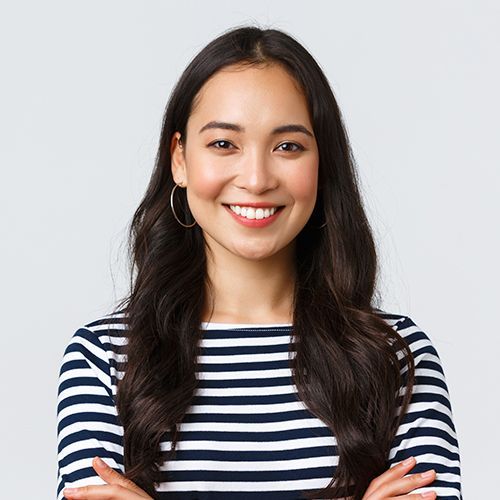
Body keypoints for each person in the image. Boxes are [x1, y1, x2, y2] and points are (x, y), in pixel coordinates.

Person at [56, 25, 462, 500]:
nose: (256, 178)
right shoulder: (102, 359)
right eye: (224, 144)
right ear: (180, 159)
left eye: (288, 146)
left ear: (321, 163)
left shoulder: (397, 356)